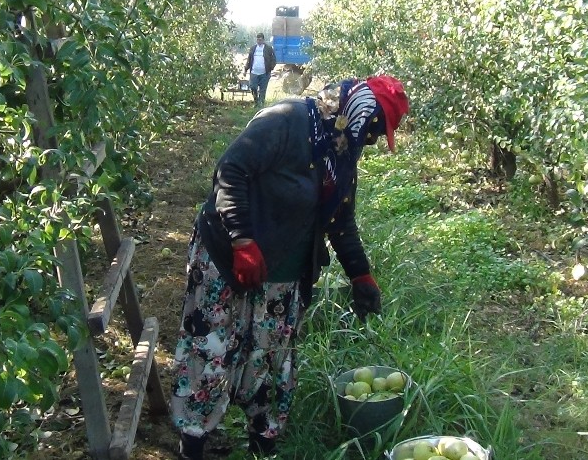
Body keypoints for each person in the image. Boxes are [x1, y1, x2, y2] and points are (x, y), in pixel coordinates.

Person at [171, 75, 411, 459]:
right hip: (226, 255)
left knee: (270, 356)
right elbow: (231, 170)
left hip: (284, 270)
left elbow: (340, 219)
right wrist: (242, 241)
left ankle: (262, 444)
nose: (372, 140)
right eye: (376, 129)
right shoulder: (287, 119)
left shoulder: (340, 150)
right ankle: (193, 444)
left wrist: (360, 274)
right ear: (361, 109)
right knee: (211, 347)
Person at [243, 33, 276, 108]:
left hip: (264, 73)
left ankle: (261, 105)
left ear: (263, 40)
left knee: (262, 90)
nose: (259, 41)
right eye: (257, 40)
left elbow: (273, 59)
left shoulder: (268, 48)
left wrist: (270, 68)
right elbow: (249, 60)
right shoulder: (253, 48)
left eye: (260, 40)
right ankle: (256, 102)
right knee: (252, 87)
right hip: (254, 72)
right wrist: (245, 69)